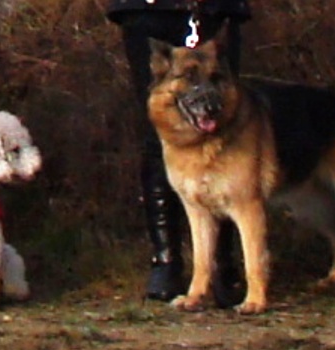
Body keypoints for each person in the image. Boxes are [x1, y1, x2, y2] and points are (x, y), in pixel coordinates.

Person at [106, 0, 251, 307]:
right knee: (161, 130)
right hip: (149, 10)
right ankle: (166, 261)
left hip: (213, 9)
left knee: (223, 125)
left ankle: (223, 266)